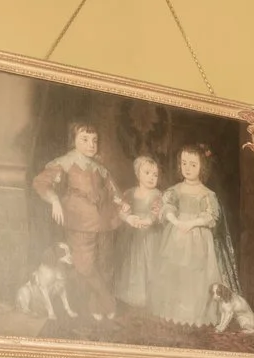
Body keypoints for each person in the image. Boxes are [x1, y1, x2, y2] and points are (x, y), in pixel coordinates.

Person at [31, 122, 122, 319]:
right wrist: (54, 199)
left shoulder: (100, 168)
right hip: (78, 219)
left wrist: (125, 209)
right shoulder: (64, 162)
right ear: (73, 140)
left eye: (94, 140)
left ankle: (96, 305)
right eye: (85, 139)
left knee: (103, 263)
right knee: (84, 265)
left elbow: (114, 193)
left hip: (103, 221)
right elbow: (41, 182)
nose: (91, 144)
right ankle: (107, 300)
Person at [148, 146, 230, 329]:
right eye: (184, 163)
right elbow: (166, 207)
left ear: (203, 167)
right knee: (175, 272)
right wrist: (176, 222)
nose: (187, 168)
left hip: (198, 239)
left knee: (195, 274)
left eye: (193, 164)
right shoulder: (175, 190)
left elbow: (210, 216)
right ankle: (173, 311)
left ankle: (193, 313)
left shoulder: (207, 193)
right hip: (176, 235)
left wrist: (191, 224)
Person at [113, 154, 164, 311]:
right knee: (132, 263)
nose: (151, 177)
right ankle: (132, 296)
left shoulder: (157, 194)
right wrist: (128, 217)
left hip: (150, 235)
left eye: (155, 174)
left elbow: (156, 212)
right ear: (137, 174)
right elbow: (120, 209)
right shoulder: (129, 193)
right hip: (132, 234)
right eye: (147, 173)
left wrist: (147, 221)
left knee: (150, 263)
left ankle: (152, 298)